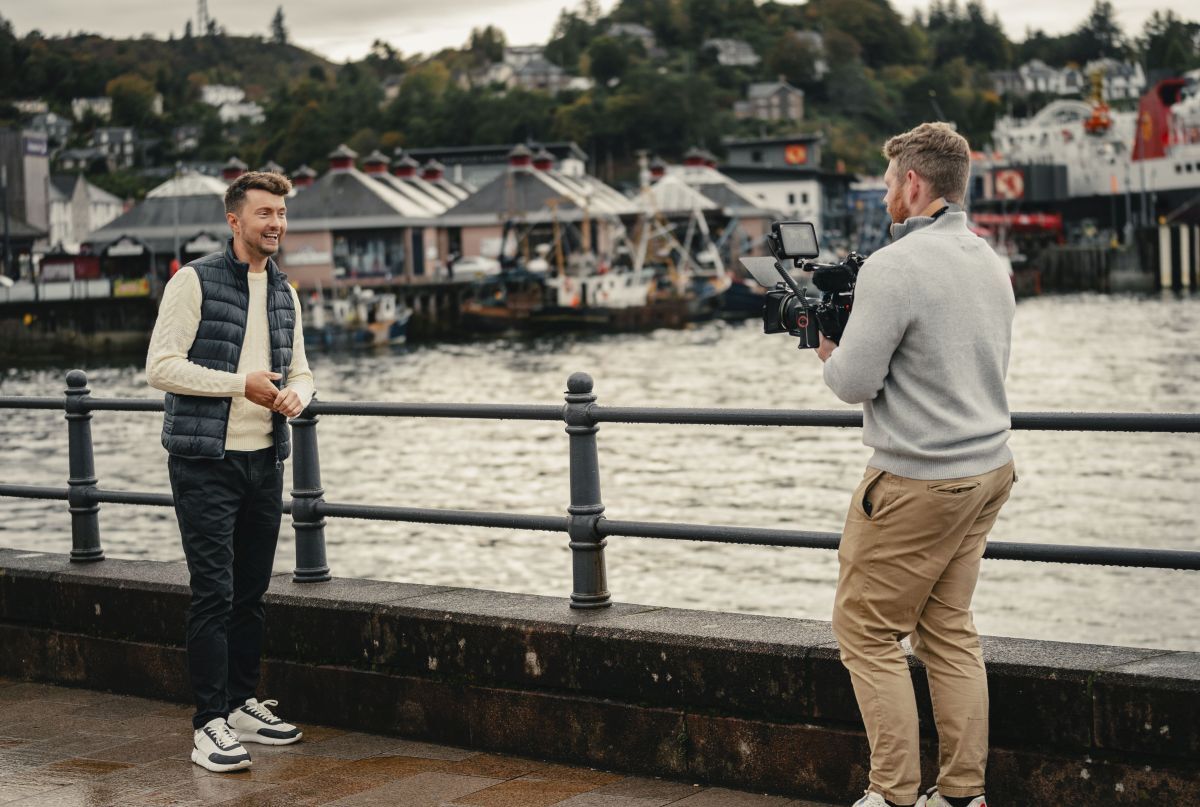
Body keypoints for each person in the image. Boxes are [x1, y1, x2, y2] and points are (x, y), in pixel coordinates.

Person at [817, 123, 1015, 807]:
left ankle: (892, 794)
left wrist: (824, 345)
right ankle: (961, 796)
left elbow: (852, 381)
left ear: (915, 184)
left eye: (888, 181)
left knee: (865, 629)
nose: (881, 196)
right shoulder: (989, 259)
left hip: (920, 478)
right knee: (948, 628)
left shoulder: (894, 267)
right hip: (987, 469)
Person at [146, 170, 314, 773]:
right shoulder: (192, 282)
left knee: (251, 594)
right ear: (234, 220)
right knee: (213, 594)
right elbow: (161, 367)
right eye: (264, 213)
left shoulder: (285, 291)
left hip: (264, 459)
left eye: (282, 214)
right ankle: (208, 724)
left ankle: (243, 703)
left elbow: (300, 369)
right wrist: (238, 386)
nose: (276, 224)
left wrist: (300, 396)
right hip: (205, 461)